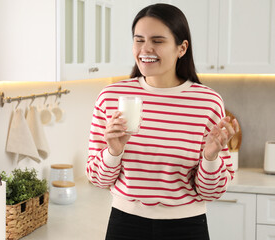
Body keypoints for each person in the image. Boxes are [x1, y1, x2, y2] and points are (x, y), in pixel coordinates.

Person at [86, 3, 240, 240]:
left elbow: (213, 192)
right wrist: (113, 152)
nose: (145, 49)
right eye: (139, 40)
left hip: (187, 227)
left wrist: (210, 158)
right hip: (124, 224)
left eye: (157, 41)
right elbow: (97, 178)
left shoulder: (208, 102)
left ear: (182, 48)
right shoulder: (111, 97)